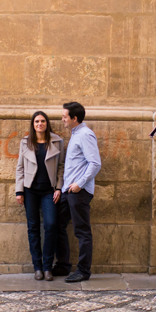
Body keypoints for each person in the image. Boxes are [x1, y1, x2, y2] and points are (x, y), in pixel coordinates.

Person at [15, 111, 65, 281]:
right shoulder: (26, 142)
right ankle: (37, 267)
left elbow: (61, 167)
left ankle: (47, 267)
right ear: (33, 124)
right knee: (33, 227)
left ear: (47, 123)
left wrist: (59, 188)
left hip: (49, 191)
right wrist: (19, 191)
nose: (40, 124)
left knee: (51, 225)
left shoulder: (57, 142)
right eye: (37, 121)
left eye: (42, 121)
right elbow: (20, 167)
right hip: (30, 191)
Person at [57, 102, 102, 282]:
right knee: (57, 225)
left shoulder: (85, 135)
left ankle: (83, 270)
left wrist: (79, 184)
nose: (62, 120)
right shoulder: (76, 134)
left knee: (82, 231)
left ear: (74, 118)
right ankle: (63, 265)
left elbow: (95, 163)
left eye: (64, 117)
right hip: (69, 190)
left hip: (79, 191)